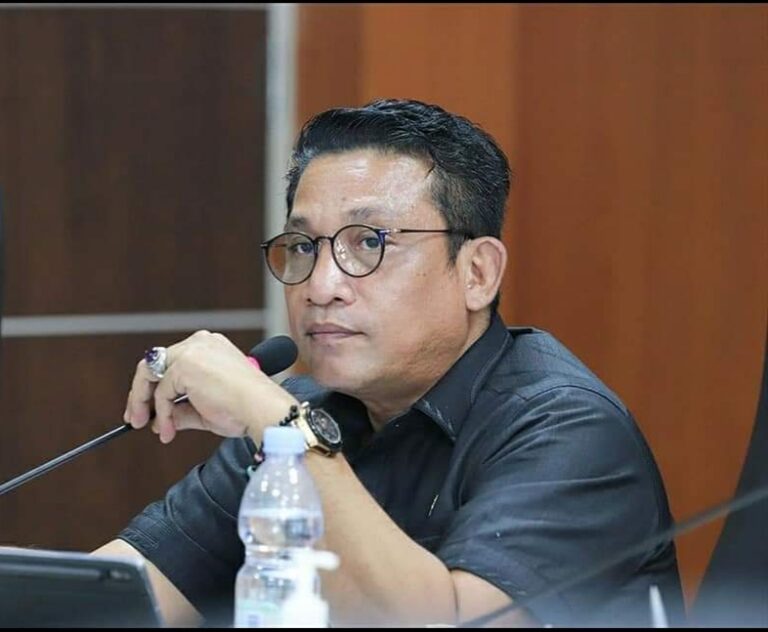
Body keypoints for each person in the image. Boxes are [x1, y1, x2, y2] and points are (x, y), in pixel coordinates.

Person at [97, 99, 684, 627]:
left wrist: (278, 422)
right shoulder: (305, 412)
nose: (320, 286)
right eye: (303, 247)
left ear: (477, 273)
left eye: (369, 243)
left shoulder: (570, 428)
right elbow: (115, 600)